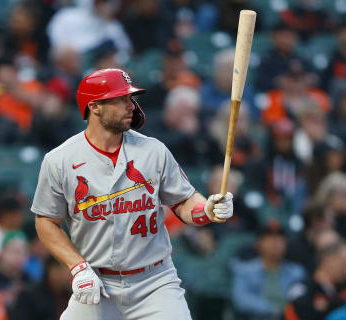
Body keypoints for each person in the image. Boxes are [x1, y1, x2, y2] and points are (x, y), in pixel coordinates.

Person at [32, 68, 234, 319]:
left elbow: (183, 201)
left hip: (154, 282)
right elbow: (46, 221)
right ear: (95, 107)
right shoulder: (59, 160)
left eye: (131, 99)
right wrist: (78, 268)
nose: (131, 106)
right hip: (97, 281)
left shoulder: (153, 151)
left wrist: (206, 209)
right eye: (121, 99)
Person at [231, 221, 306, 320]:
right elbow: (241, 300)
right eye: (269, 238)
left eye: (280, 239)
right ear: (258, 243)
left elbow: (302, 300)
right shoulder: (245, 270)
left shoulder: (297, 272)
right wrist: (274, 308)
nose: (275, 242)